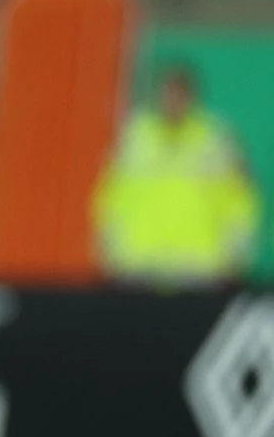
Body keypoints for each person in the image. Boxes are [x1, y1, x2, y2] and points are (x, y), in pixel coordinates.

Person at [93, 64, 260, 287]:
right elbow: (110, 198)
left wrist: (237, 253)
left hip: (199, 267)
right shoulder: (135, 138)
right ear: (157, 96)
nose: (173, 101)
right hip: (139, 264)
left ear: (192, 97)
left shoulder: (216, 140)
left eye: (180, 94)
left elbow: (241, 200)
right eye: (168, 93)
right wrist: (108, 249)